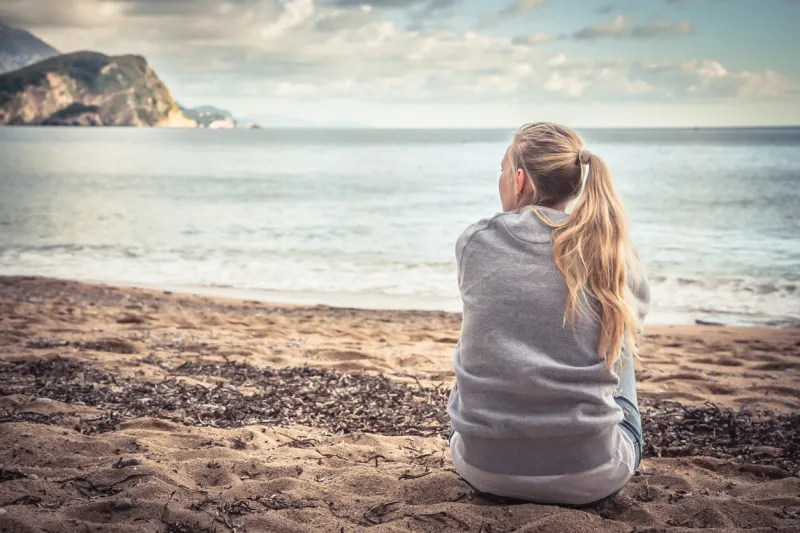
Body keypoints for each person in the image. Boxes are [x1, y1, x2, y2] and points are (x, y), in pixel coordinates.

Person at [447, 122, 649, 506]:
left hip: (484, 468)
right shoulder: (612, 250)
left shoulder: (475, 240)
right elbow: (634, 323)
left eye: (503, 171)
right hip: (594, 476)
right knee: (617, 334)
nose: (502, 180)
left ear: (520, 180)